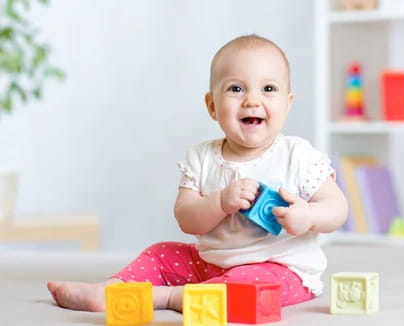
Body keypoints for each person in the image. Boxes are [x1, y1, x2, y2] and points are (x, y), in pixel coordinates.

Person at [47, 34, 348, 313]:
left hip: (280, 269)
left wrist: (308, 215)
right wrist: (219, 202)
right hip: (211, 264)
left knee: (249, 285)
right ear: (212, 105)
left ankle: (168, 297)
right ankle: (111, 290)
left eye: (268, 89)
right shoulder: (201, 158)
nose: (252, 100)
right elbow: (186, 218)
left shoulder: (298, 155)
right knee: (160, 253)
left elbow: (337, 208)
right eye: (236, 88)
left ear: (287, 103)